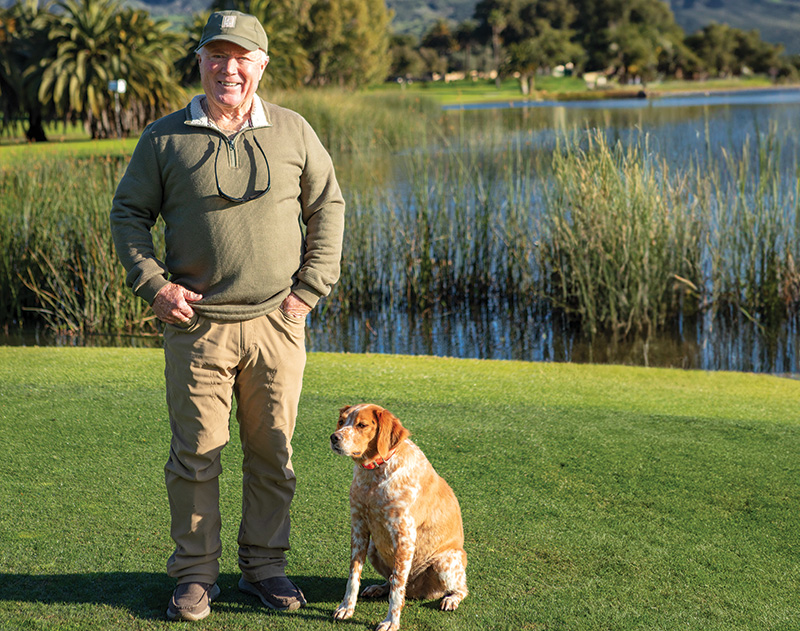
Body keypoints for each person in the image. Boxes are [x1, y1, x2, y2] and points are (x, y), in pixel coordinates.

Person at [110, 10, 345, 622]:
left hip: (278, 322)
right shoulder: (164, 137)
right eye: (216, 55)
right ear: (202, 63)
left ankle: (264, 568)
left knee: (273, 452)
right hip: (197, 325)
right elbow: (128, 215)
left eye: (241, 56)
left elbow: (329, 206)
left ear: (262, 64)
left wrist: (308, 291)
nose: (228, 67)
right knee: (197, 453)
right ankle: (194, 577)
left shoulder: (293, 130)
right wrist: (154, 284)